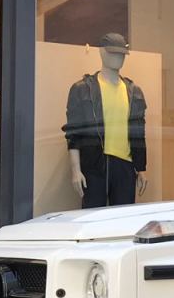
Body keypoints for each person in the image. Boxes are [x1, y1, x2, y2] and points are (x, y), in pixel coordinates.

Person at [63, 32, 149, 208]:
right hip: (94, 165)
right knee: (93, 219)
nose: (118, 58)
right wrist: (75, 170)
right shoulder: (82, 89)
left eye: (121, 54)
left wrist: (140, 168)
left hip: (126, 165)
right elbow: (74, 133)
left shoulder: (134, 92)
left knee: (123, 220)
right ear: (101, 52)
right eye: (113, 53)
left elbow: (138, 133)